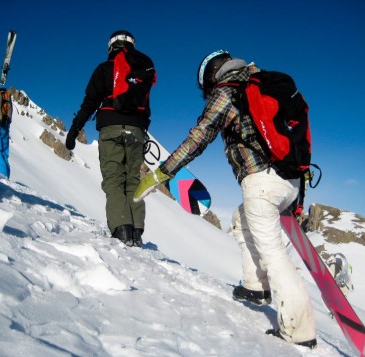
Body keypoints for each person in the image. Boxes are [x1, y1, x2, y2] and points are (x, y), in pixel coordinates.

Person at [134, 50, 317, 348]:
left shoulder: (228, 92)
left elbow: (199, 137)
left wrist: (163, 173)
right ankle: (256, 286)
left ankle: (299, 331)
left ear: (212, 75)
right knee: (240, 219)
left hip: (261, 182)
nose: (207, 92)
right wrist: (296, 200)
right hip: (291, 180)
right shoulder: (263, 82)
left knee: (273, 253)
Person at [65, 30, 155, 248]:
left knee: (114, 179)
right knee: (133, 179)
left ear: (111, 47)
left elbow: (90, 102)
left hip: (110, 128)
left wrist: (75, 129)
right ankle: (136, 231)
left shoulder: (104, 69)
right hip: (136, 132)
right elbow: (146, 110)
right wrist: (141, 134)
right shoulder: (142, 70)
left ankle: (121, 230)